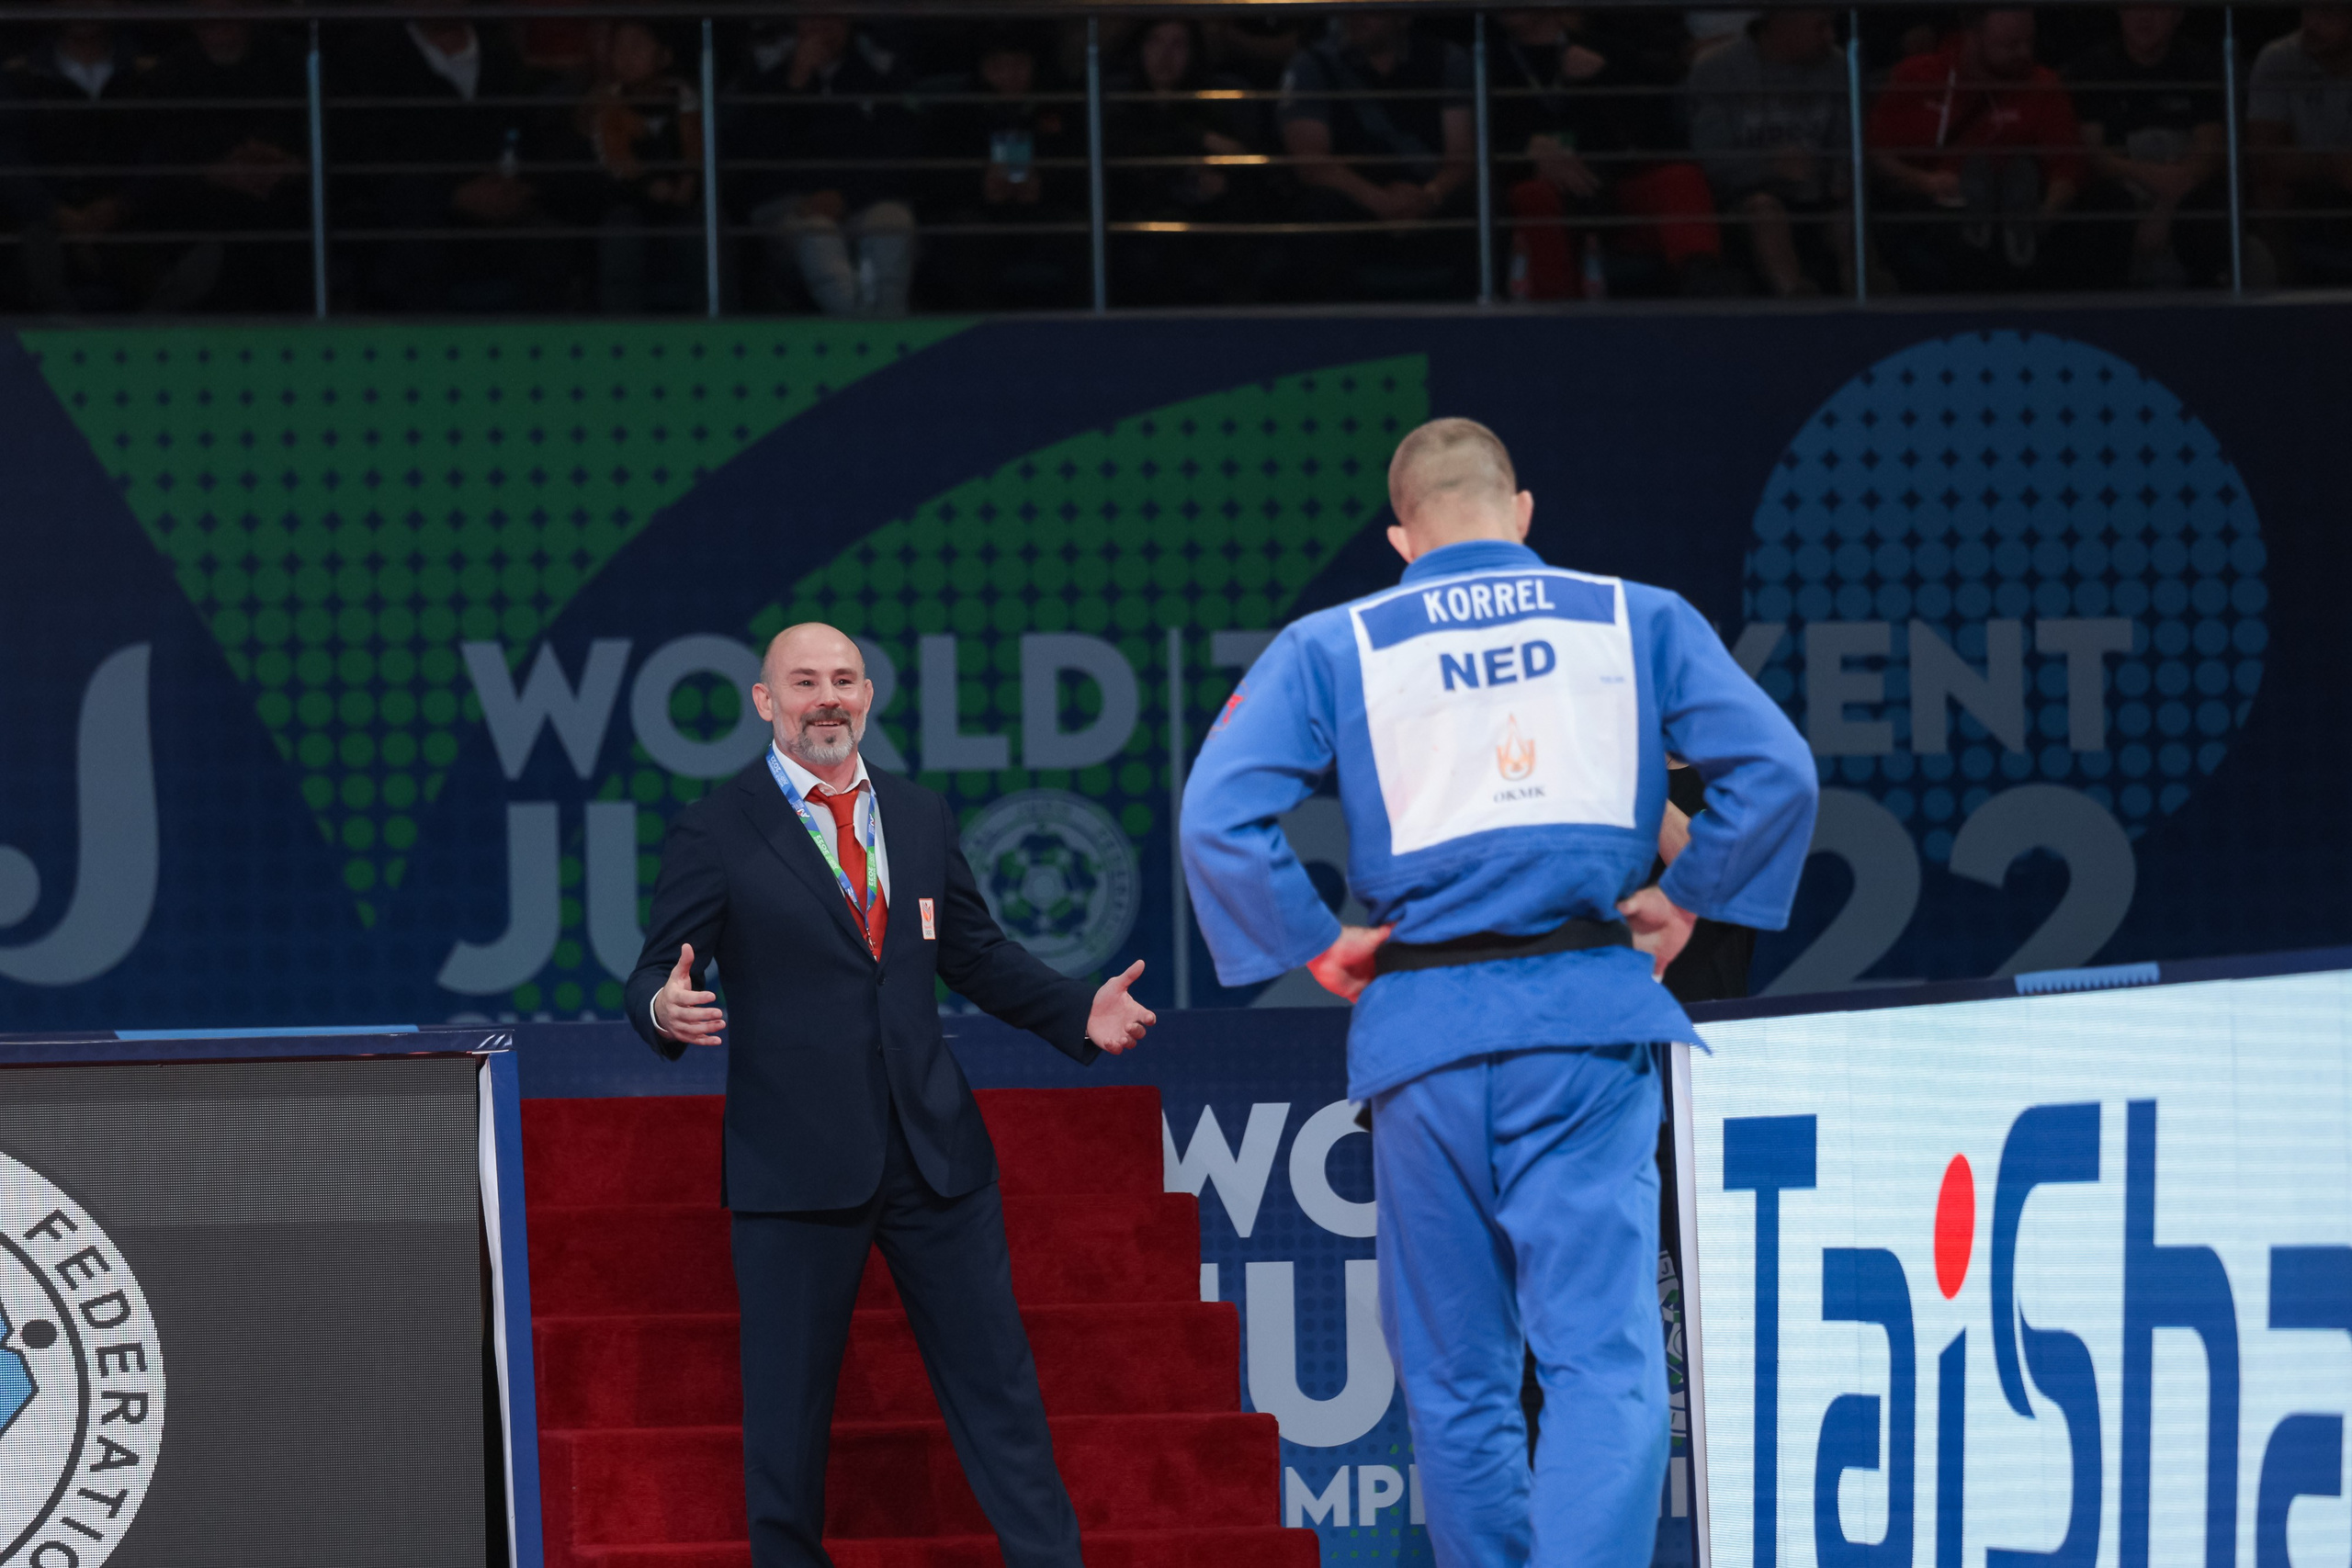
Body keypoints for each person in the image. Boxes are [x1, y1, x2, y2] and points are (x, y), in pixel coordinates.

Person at [1180, 419, 1817, 1568]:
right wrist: (1690, 897)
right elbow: (1776, 772)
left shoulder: (1340, 641)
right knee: (1600, 1364)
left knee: (1457, 1378)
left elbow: (1215, 816)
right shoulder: (1636, 618)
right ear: (1521, 513)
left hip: (1421, 1038)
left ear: (1399, 540)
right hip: (1583, 1021)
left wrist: (1316, 942)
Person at [628, 622, 1156, 1568]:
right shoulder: (717, 826)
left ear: (868, 696)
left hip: (937, 1157)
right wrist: (666, 1007)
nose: (825, 698)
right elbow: (654, 969)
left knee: (1001, 1401)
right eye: (803, 682)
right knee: (786, 1432)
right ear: (764, 702)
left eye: (842, 680)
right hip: (793, 1170)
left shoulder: (915, 815)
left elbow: (974, 952)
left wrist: (1079, 1011)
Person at [1487, 9, 1732, 299]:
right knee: (1532, 196)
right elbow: (1474, 140)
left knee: (1680, 178)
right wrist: (1526, 149)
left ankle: (1704, 294)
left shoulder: (1606, 50)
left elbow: (1653, 129)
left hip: (1613, 183)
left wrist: (1605, 76)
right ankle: (1556, 316)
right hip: (1541, 187)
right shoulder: (1484, 59)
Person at [330, 8, 564, 310]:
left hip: (502, 215)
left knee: (550, 240)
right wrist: (452, 195)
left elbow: (531, 140)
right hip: (416, 218)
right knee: (416, 236)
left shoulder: (499, 53)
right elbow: (367, 157)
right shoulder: (370, 56)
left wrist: (520, 189)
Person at [1868, 7, 2085, 292]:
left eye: (2029, 42)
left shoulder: (2042, 83)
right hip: (1936, 205)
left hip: (2017, 209)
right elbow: (1877, 153)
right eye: (2010, 45)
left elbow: (2066, 168)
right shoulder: (1917, 75)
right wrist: (1924, 182)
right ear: (1974, 37)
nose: (2024, 53)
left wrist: (2044, 217)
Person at [726, 14, 920, 316]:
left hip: (863, 200)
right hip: (789, 206)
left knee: (892, 224)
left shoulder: (880, 67)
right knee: (818, 237)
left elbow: (899, 154)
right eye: (811, 16)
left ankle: (891, 336)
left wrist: (846, 197)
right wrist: (796, 81)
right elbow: (755, 157)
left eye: (832, 15)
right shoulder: (763, 70)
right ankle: (859, 343)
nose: (821, 26)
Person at [1277, 12, 1474, 299]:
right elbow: (1311, 163)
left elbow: (1462, 155)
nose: (1357, 13)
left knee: (1479, 201)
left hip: (1429, 199)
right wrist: (1380, 201)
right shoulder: (1313, 63)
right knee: (1319, 210)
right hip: (1355, 202)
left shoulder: (1446, 58)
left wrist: (1429, 196)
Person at [134, 10, 310, 312]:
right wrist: (212, 173)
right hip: (206, 214)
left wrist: (291, 165)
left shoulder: (295, 60)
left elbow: (330, 141)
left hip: (289, 204)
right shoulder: (169, 75)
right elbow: (163, 159)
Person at [1687, 8, 1855, 296]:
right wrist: (1769, 165)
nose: (1831, 37)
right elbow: (1711, 159)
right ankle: (1796, 300)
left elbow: (1847, 142)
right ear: (1782, 24)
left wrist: (1840, 174)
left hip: (1818, 194)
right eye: (1820, 26)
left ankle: (1869, 303)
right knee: (1765, 210)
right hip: (1743, 200)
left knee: (1849, 220)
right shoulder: (1718, 69)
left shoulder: (1838, 65)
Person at [2, 5, 160, 310]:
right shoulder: (18, 78)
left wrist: (121, 205)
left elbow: (163, 152)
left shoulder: (150, 75)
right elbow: (8, 160)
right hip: (41, 235)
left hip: (133, 234)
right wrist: (56, 214)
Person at [922, 26, 1086, 310]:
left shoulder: (1061, 106)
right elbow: (933, 180)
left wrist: (1043, 183)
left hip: (1043, 214)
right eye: (998, 66)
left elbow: (1084, 171)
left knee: (1080, 232)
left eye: (1019, 64)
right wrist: (979, 185)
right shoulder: (957, 111)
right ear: (981, 69)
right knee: (962, 235)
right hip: (980, 214)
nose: (1009, 75)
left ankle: (1084, 333)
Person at [1104, 17, 1265, 303]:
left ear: (1194, 52)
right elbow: (1127, 156)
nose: (1165, 56)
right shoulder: (1118, 101)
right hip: (1139, 221)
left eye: (1178, 45)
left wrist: (1219, 182)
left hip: (1208, 223)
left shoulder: (1217, 100)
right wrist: (1199, 140)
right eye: (1155, 42)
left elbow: (1240, 159)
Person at [2064, 6, 2226, 288]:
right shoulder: (2093, 67)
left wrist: (2166, 207)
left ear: (2178, 14)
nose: (2144, 16)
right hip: (2124, 189)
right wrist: (2147, 175)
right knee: (2100, 206)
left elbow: (2209, 150)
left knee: (2209, 206)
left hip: (2182, 190)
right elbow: (2093, 154)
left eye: (2157, 5)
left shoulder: (2201, 65)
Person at [548, 20, 703, 313]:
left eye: (637, 46)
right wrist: (644, 185)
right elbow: (610, 161)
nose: (625, 56)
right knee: (622, 229)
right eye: (617, 48)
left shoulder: (689, 101)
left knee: (705, 225)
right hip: (624, 207)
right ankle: (622, 338)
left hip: (680, 206)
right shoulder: (605, 108)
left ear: (665, 56)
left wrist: (690, 180)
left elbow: (698, 148)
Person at [2245, 4, 2352, 287]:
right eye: (2308, 11)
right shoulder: (2279, 58)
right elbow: (2263, 157)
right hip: (2305, 181)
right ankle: (2282, 298)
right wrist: (2331, 163)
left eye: (2327, 14)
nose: (2312, 25)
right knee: (2269, 192)